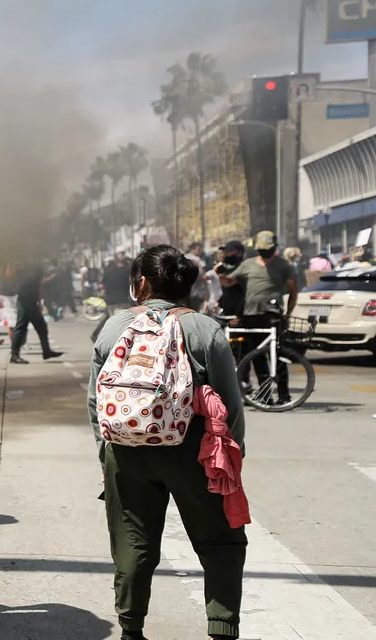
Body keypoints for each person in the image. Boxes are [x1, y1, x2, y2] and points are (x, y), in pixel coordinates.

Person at [89, 245, 247, 640]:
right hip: (194, 449)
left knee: (133, 542)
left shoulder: (114, 326)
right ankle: (221, 627)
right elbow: (229, 403)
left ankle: (131, 628)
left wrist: (106, 451)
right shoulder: (205, 328)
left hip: (126, 450)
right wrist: (234, 455)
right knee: (220, 540)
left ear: (141, 282)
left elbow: (95, 400)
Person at [219, 231, 297, 404]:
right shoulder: (248, 265)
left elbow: (293, 290)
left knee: (278, 356)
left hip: (273, 315)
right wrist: (221, 274)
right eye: (261, 250)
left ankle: (284, 396)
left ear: (274, 248)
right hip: (251, 315)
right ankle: (265, 394)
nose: (264, 253)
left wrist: (288, 313)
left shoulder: (283, 265)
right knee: (257, 357)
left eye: (267, 250)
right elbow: (229, 282)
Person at [10, 261, 63, 365]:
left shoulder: (29, 270)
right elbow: (38, 286)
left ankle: (46, 351)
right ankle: (14, 355)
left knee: (41, 326)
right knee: (21, 328)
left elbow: (38, 287)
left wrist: (38, 301)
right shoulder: (32, 271)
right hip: (26, 302)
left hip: (29, 302)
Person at [91, 252, 132, 342]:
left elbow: (102, 285)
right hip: (122, 301)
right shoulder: (127, 272)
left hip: (109, 300)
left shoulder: (108, 272)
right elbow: (130, 286)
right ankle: (117, 340)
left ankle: (96, 334)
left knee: (110, 318)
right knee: (120, 321)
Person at [184, 242, 209, 312]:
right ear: (193, 249)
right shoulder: (197, 259)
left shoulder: (184, 257)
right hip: (196, 292)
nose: (200, 251)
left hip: (185, 291)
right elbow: (202, 276)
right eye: (199, 249)